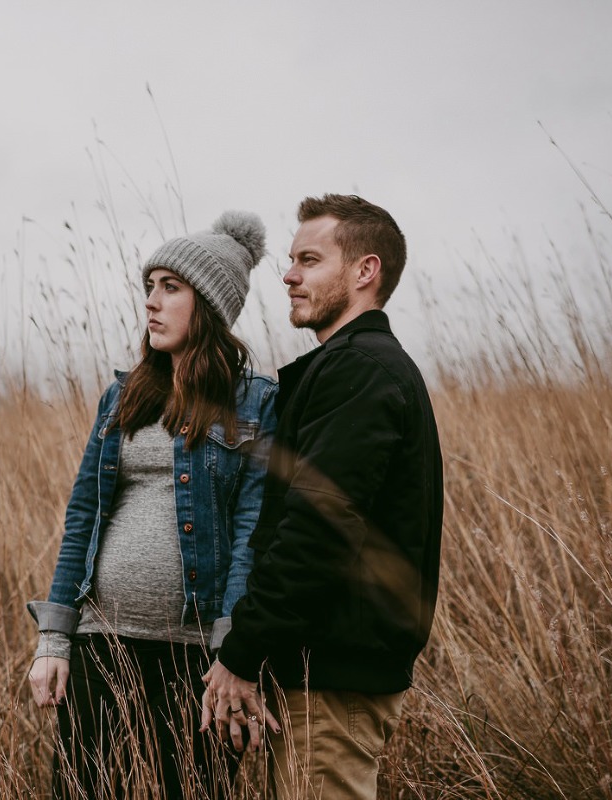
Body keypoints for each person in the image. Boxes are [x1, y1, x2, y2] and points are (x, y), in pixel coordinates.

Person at [200, 194, 444, 799]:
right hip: (324, 671)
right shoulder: (349, 366)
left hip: (334, 677)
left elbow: (317, 528)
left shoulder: (360, 371)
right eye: (289, 260)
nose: (287, 275)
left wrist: (241, 650)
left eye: (308, 260)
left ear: (365, 271)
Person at [27, 211, 278, 799]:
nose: (151, 302)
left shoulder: (256, 404)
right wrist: (54, 639)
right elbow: (83, 516)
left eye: (171, 287)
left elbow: (251, 532)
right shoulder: (124, 396)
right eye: (149, 287)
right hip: (102, 644)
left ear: (210, 305)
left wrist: (233, 648)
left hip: (196, 658)